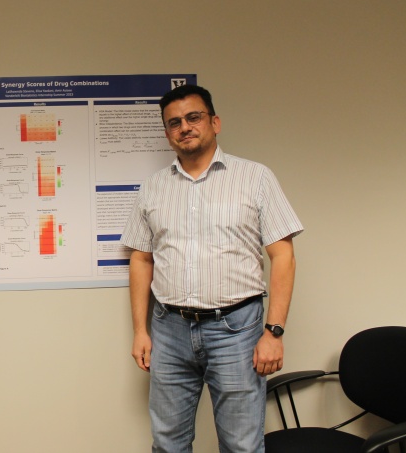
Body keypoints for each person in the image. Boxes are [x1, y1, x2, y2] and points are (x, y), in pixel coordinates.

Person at [121, 84, 303, 453]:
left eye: (193, 117)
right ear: (167, 133)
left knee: (241, 445)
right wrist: (141, 330)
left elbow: (282, 255)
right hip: (168, 330)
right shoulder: (152, 188)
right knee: (168, 443)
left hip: (236, 329)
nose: (184, 127)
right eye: (174, 123)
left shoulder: (255, 178)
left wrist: (275, 332)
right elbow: (141, 258)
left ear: (214, 122)